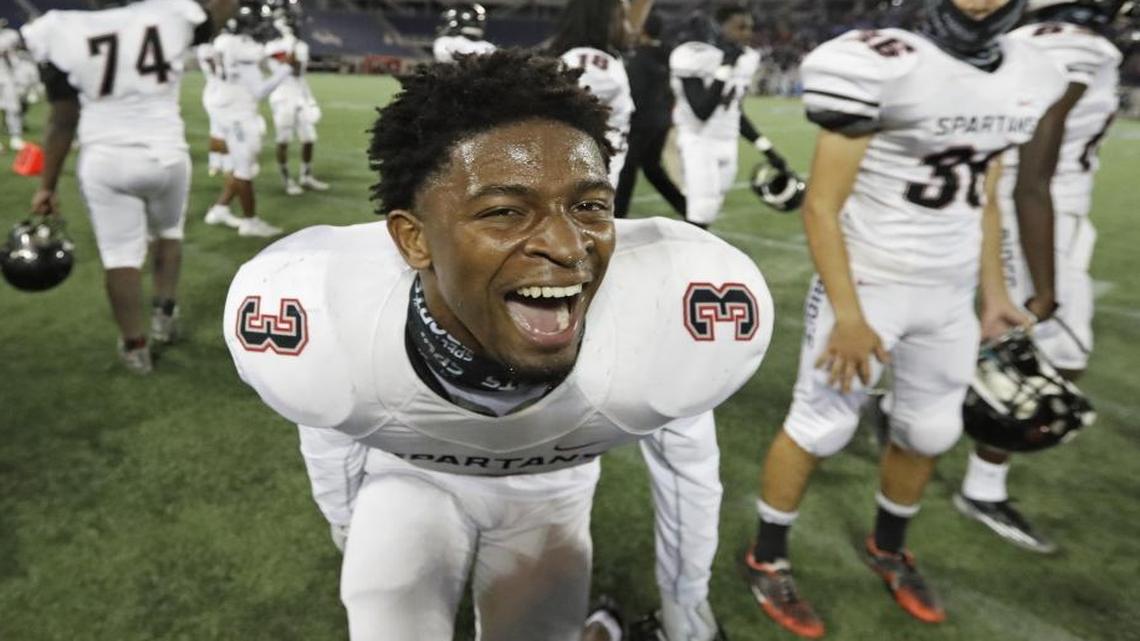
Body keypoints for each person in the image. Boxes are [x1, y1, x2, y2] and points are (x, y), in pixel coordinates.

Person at [222, 50, 774, 641]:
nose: (566, 247)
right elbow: (329, 422)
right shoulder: (323, 310)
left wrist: (686, 605)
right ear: (413, 240)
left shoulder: (670, 312)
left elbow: (688, 469)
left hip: (554, 493)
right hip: (411, 480)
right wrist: (349, 529)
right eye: (506, 211)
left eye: (589, 206)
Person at [740, 0, 1070, 635]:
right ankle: (768, 557)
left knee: (929, 431)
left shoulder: (1030, 70)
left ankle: (889, 548)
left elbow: (988, 194)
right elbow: (820, 206)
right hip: (871, 282)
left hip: (947, 294)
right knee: (820, 426)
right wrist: (848, 313)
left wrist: (995, 292)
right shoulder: (882, 63)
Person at [953, 0, 1127, 554]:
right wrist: (1046, 281)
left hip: (1036, 207)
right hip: (1037, 212)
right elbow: (1034, 169)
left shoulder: (1028, 35)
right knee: (1048, 355)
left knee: (1013, 342)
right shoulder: (1076, 45)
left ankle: (897, 407)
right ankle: (983, 487)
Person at [21, 0, 236, 374]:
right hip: (167, 154)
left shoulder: (61, 28)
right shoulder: (170, 13)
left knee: (120, 256)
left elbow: (62, 120)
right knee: (169, 235)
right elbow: (222, 8)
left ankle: (136, 346)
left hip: (107, 159)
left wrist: (47, 186)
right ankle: (164, 314)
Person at [669, 5, 790, 228]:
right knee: (701, 213)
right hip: (699, 142)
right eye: (740, 27)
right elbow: (701, 111)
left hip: (727, 143)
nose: (747, 33)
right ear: (717, 27)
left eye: (750, 28)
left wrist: (768, 150)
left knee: (710, 211)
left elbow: (736, 114)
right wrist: (725, 66)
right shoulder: (695, 56)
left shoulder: (748, 58)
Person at [202, 1, 292, 238]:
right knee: (245, 169)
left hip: (222, 107)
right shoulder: (243, 47)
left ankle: (220, 209)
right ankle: (250, 222)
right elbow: (259, 90)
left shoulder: (220, 41)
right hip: (239, 114)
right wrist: (284, 70)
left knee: (240, 167)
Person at [549, 0, 640, 187]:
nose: (628, 27)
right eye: (622, 17)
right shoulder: (594, 63)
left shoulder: (582, 57)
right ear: (604, 20)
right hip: (589, 178)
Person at [613, 11, 687, 218]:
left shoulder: (638, 58)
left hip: (642, 124)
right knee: (652, 168)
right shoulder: (668, 54)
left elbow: (634, 95)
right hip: (662, 121)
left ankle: (618, 217)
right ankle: (685, 207)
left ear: (642, 29)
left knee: (627, 170)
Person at [265, 0, 330, 196]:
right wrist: (290, 49)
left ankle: (305, 175)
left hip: (299, 95)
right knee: (283, 140)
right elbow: (288, 69)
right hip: (282, 96)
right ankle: (287, 180)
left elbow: (298, 72)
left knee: (309, 138)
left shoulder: (300, 45)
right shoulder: (272, 46)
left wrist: (309, 99)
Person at [196, 37, 228, 177]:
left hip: (223, 91)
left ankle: (217, 163)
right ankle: (219, 164)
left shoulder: (219, 43)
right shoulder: (205, 47)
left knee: (219, 129)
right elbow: (214, 67)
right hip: (214, 92)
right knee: (218, 129)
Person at [0, 18, 24, 152]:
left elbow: (17, 49)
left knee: (14, 107)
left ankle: (16, 137)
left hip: (8, 76)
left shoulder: (10, 35)